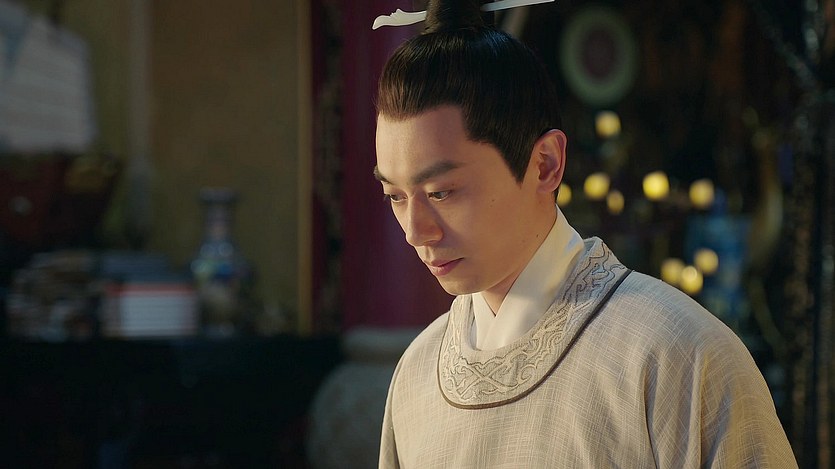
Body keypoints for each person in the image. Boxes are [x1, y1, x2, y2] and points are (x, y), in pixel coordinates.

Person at [372, 0, 798, 467]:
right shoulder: (417, 374)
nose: (415, 231)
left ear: (545, 164)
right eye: (395, 196)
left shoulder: (677, 353)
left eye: (441, 192)